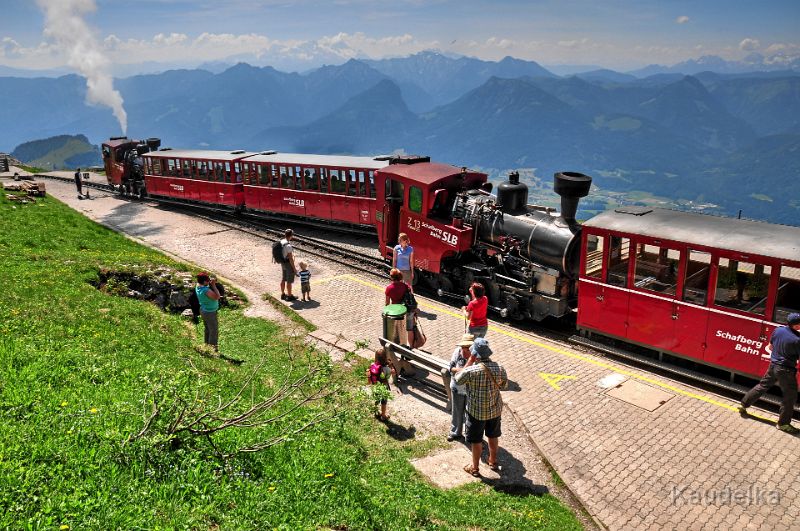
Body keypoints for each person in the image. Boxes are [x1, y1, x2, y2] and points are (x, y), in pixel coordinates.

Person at [455, 337, 508, 477]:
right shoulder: (500, 368)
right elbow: (504, 385)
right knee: (493, 436)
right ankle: (493, 461)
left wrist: (470, 361)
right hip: (495, 410)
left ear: (474, 354)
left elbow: (457, 379)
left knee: (476, 441)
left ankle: (475, 468)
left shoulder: (471, 371)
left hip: (476, 412)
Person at [740, 313, 800, 434]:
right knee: (790, 396)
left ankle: (743, 405)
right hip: (786, 370)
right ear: (796, 325)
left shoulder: (778, 330)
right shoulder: (797, 339)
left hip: (773, 366)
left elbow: (770, 347)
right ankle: (783, 424)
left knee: (762, 385)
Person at [448, 333, 474, 442]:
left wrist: (462, 371)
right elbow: (451, 368)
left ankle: (470, 436)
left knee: (471, 415)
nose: (464, 349)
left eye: (467, 347)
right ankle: (455, 432)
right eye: (463, 347)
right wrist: (462, 371)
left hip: (471, 390)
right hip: (457, 387)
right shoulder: (457, 352)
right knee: (457, 411)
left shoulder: (477, 356)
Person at [385, 268, 416, 347]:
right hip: (408, 309)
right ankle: (411, 347)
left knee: (397, 329)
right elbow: (410, 297)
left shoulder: (389, 288)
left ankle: (398, 345)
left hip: (396, 312)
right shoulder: (406, 286)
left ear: (392, 277)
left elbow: (387, 303)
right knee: (410, 329)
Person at [366, 348, 396, 421]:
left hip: (375, 386)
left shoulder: (372, 365)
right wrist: (392, 368)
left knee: (376, 399)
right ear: (385, 357)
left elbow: (369, 374)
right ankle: (383, 415)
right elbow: (393, 374)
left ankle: (376, 411)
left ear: (376, 357)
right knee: (383, 402)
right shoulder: (387, 369)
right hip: (384, 387)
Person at [195, 272, 221, 351]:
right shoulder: (205, 290)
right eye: (207, 280)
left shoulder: (198, 286)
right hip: (210, 313)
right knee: (213, 331)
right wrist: (213, 285)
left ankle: (206, 346)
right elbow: (217, 296)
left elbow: (205, 283)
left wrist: (209, 282)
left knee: (207, 329)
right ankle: (212, 350)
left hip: (204, 310)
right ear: (204, 282)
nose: (209, 281)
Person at [280, 229, 298, 301]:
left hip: (282, 262)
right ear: (291, 236)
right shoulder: (288, 246)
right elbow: (290, 259)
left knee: (283, 279)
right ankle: (289, 296)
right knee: (289, 281)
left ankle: (283, 294)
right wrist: (294, 268)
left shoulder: (281, 241)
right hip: (288, 264)